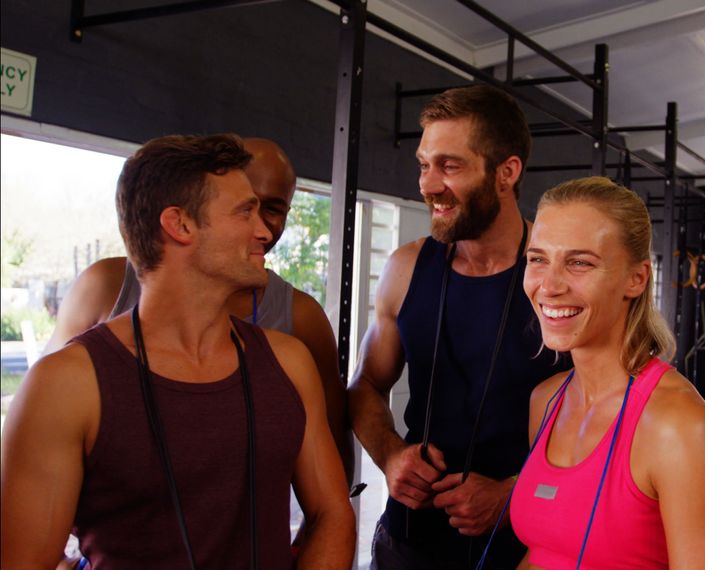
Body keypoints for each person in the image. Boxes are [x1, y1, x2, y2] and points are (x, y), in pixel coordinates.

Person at [0, 134, 355, 568]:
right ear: (180, 224)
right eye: (244, 211)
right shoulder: (65, 385)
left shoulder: (288, 362)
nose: (265, 231)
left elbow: (332, 515)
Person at [348, 84, 570, 569]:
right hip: (408, 542)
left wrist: (513, 493)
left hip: (528, 547)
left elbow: (614, 424)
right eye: (424, 165)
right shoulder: (405, 269)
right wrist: (390, 455)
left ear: (506, 172)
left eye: (449, 166)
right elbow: (365, 385)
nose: (428, 184)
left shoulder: (558, 279)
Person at [42, 138, 353, 479]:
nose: (261, 229)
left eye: (273, 209)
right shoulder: (103, 288)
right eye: (245, 209)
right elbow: (48, 432)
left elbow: (334, 472)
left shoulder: (297, 332)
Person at [510, 177, 705, 569]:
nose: (549, 285)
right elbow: (542, 555)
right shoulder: (546, 400)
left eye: (580, 262)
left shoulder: (677, 426)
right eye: (538, 259)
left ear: (636, 278)